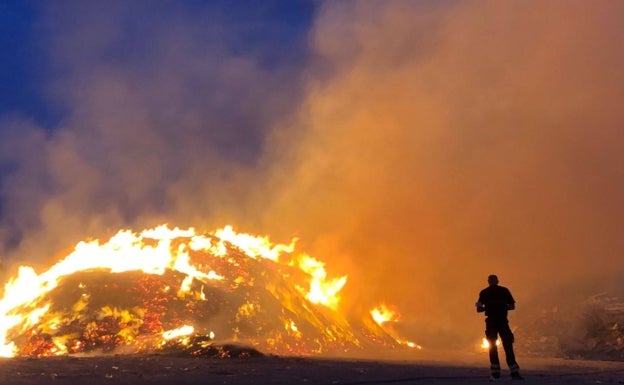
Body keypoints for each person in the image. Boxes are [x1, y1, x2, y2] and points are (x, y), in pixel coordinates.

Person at [476, 274, 523, 380]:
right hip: (502, 321)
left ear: (488, 281)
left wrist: (488, 307)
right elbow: (512, 306)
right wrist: (502, 306)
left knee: (492, 347)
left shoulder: (484, 292)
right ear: (497, 281)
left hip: (491, 322)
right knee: (508, 346)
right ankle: (514, 372)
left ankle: (495, 373)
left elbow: (479, 309)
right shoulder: (504, 291)